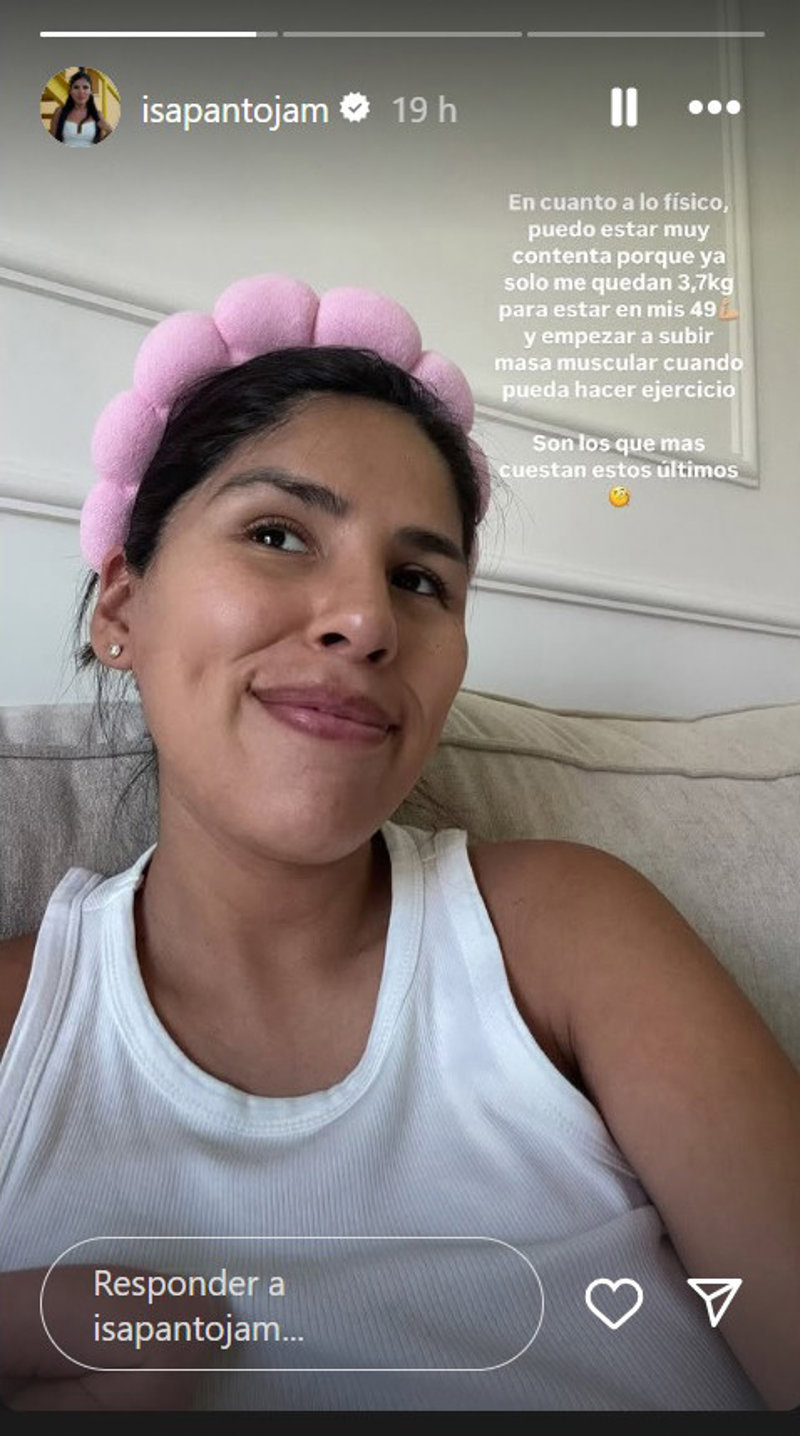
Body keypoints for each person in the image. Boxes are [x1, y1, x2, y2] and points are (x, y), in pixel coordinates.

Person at [0, 274, 798, 1414]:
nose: (368, 620)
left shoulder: (568, 933)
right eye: (278, 533)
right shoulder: (21, 1030)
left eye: (420, 579)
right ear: (120, 607)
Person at [50, 68, 112, 146]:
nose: (81, 92)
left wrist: (109, 131)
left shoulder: (97, 115)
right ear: (70, 91)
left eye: (85, 87)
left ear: (90, 92)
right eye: (76, 87)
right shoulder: (59, 112)